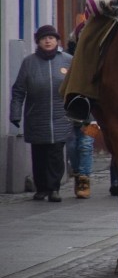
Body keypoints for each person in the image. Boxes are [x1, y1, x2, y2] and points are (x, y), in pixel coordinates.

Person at [9, 26, 73, 202]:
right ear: (38, 41)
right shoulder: (29, 62)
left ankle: (54, 189)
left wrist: (82, 114)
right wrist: (15, 113)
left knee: (55, 154)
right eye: (44, 38)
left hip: (60, 116)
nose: (48, 41)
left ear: (57, 41)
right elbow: (19, 89)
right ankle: (42, 188)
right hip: (37, 115)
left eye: (51, 38)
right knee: (39, 155)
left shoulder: (67, 60)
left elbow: (77, 88)